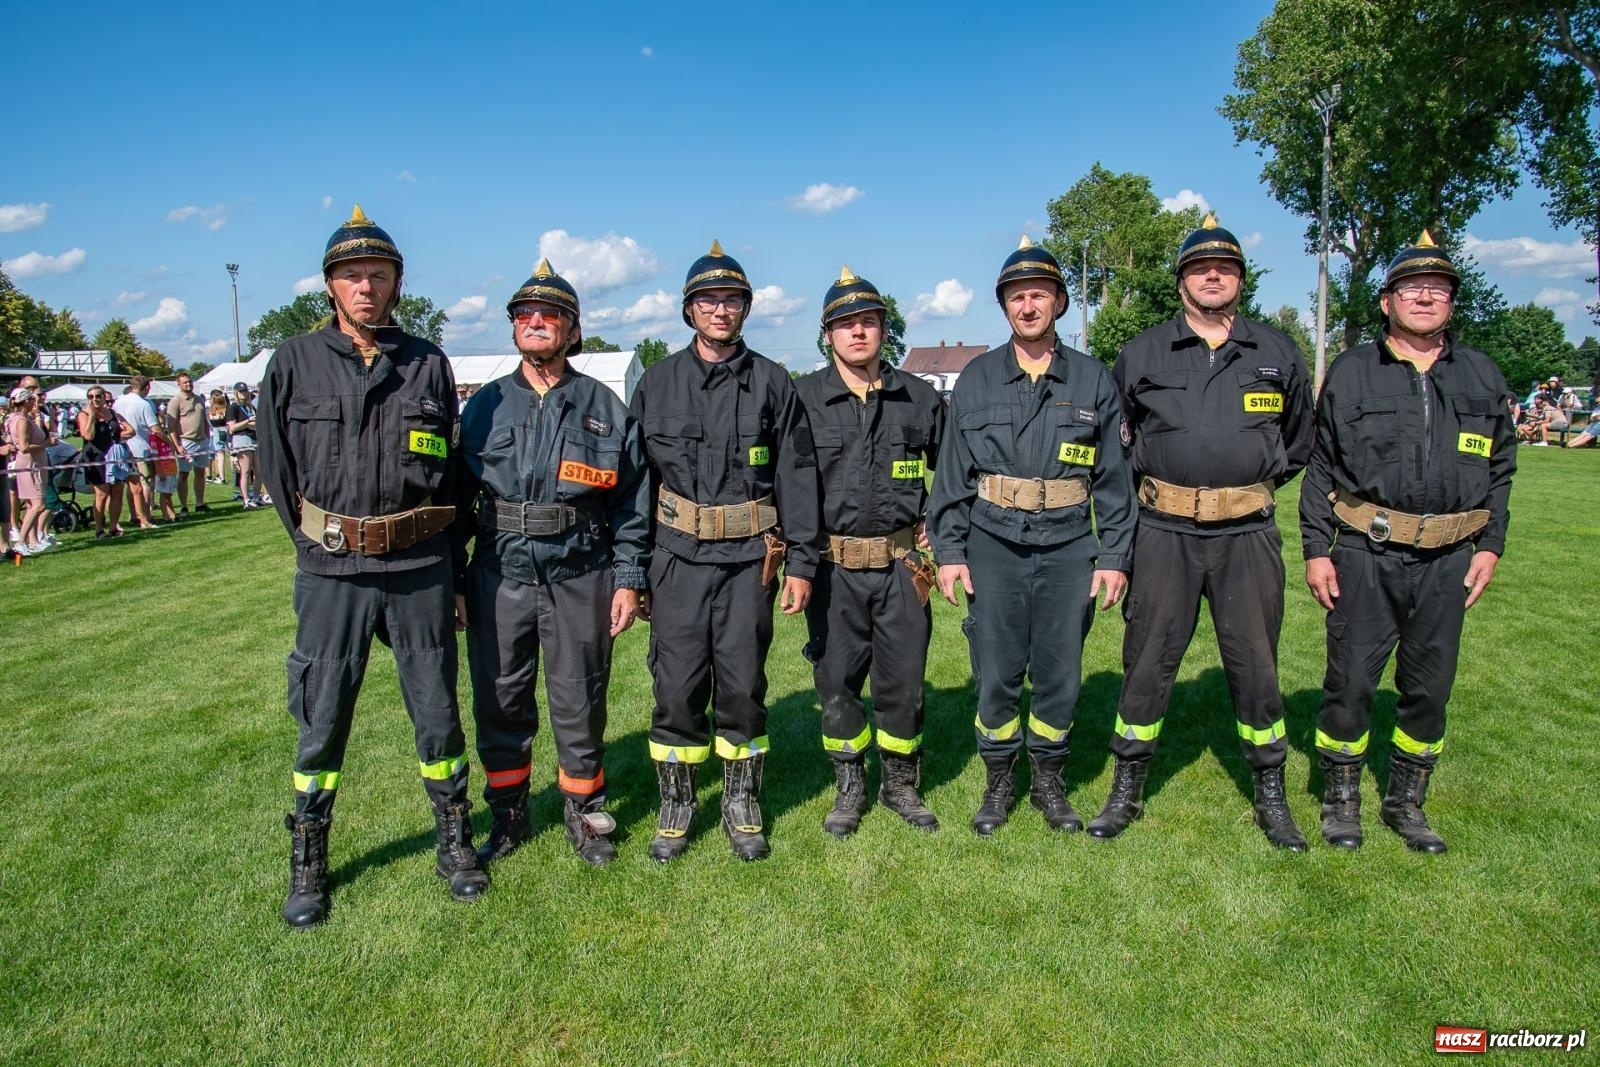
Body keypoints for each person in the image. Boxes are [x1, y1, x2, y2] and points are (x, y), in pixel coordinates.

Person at [257, 204, 487, 927]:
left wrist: (452, 568)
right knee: (322, 717)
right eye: (352, 275)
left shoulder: (427, 362)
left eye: (378, 275)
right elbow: (276, 470)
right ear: (330, 285)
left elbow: (451, 476)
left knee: (438, 712)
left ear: (396, 284)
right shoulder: (293, 361)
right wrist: (314, 547)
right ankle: (309, 856)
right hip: (334, 571)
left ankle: (454, 838)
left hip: (419, 566)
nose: (366, 287)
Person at [1087, 215, 1316, 850]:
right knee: (1147, 661)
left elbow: (1299, 441)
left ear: (1241, 279)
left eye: (1225, 268)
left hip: (1248, 536)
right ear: (1181, 280)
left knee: (1256, 664)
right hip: (1163, 532)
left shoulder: (1277, 353)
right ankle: (1126, 789)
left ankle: (1271, 795)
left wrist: (1243, 485)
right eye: (1199, 268)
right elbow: (1117, 443)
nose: (1212, 276)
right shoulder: (1142, 354)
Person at [1300, 231, 1516, 854]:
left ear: (1451, 302)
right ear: (1387, 300)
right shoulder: (1353, 372)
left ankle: (1406, 802)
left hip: (1449, 560)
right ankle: (1341, 800)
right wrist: (1316, 549)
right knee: (1350, 682)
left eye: (1438, 289)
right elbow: (1321, 467)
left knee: (1429, 688)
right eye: (1412, 288)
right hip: (1366, 554)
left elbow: (1501, 468)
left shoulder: (1480, 374)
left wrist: (1490, 545)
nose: (1425, 297)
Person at [928, 237, 1136, 836]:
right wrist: (950, 550)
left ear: (1059, 302)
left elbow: (1114, 480)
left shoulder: (1092, 380)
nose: (1028, 306)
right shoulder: (976, 379)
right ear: (1004, 306)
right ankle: (999, 780)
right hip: (993, 543)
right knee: (996, 670)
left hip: (1069, 545)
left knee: (1059, 671)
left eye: (1039, 295)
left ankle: (1048, 779)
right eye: (1017, 297)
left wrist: (1114, 555)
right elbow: (952, 476)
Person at [629, 240, 821, 862]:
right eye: (708, 300)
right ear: (689, 310)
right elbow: (636, 488)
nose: (720, 310)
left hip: (747, 564)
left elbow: (797, 477)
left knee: (741, 686)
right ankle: (678, 802)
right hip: (676, 562)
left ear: (745, 308)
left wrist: (802, 563)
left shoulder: (772, 383)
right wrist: (634, 572)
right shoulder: (657, 384)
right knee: (676, 686)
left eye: (731, 300)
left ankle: (741, 801)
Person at [453, 259, 650, 866]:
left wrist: (628, 579)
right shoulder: (484, 407)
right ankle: (509, 816)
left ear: (573, 329)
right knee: (500, 699)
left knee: (579, 699)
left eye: (550, 314)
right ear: (514, 326)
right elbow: (455, 500)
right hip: (498, 575)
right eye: (524, 314)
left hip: (580, 573)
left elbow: (631, 503)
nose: (535, 321)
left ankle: (584, 813)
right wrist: (456, 579)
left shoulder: (604, 407)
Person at [795, 267, 946, 836]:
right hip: (833, 571)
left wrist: (938, 519)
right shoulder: (803, 401)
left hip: (902, 568)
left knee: (903, 682)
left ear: (885, 329)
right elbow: (788, 483)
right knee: (836, 682)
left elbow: (955, 470)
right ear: (827, 335)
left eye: (868, 322)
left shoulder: (919, 398)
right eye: (845, 324)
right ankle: (849, 785)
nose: (858, 332)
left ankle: (900, 784)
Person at [76, 387, 131, 538]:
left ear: (104, 397)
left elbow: (129, 429)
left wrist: (121, 436)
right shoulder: (83, 414)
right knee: (102, 493)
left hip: (114, 456)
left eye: (98, 396)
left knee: (117, 492)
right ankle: (99, 530)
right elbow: (88, 435)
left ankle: (113, 527)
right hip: (96, 458)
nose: (94, 399)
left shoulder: (112, 413)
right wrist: (92, 416)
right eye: (91, 397)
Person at [5, 389, 52, 555]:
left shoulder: (18, 418)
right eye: (32, 398)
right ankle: (20, 542)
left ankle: (31, 541)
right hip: (30, 465)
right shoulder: (21, 421)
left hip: (34, 463)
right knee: (39, 505)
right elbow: (24, 447)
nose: (35, 401)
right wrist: (47, 443)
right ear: (26, 401)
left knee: (32, 505)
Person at [111, 376, 162, 529]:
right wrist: (170, 444)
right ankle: (145, 516)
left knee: (131, 484)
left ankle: (134, 514)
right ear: (147, 388)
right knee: (145, 484)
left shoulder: (118, 401)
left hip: (122, 448)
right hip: (140, 448)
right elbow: (155, 428)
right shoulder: (144, 404)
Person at [166, 372, 212, 515]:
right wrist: (177, 445)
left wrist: (207, 437)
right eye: (185, 382)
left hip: (201, 441)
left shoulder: (199, 399)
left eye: (190, 381)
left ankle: (200, 503)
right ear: (179, 384)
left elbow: (204, 420)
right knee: (184, 474)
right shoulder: (175, 401)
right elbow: (171, 426)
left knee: (200, 473)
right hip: (185, 441)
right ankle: (184, 506)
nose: (188, 384)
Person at [227, 383, 262, 506]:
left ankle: (256, 497)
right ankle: (246, 499)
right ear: (236, 393)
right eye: (241, 391)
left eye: (245, 391)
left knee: (258, 472)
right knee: (245, 471)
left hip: (255, 438)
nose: (244, 393)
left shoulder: (251, 407)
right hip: (242, 439)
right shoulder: (233, 407)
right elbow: (232, 428)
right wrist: (247, 422)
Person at [207, 390, 231, 485]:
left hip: (216, 433)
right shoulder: (226, 411)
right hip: (226, 431)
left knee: (220, 457)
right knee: (232, 455)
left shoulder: (210, 413)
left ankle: (222, 477)